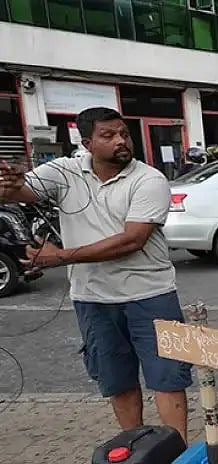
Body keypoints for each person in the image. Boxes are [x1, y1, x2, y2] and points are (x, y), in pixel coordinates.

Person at [0, 107, 191, 439]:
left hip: (152, 296)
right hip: (93, 300)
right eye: (109, 135)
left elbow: (132, 240)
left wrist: (60, 257)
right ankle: (135, 452)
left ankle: (175, 455)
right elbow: (22, 191)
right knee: (118, 381)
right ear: (87, 142)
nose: (120, 141)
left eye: (124, 134)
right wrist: (9, 182)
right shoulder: (64, 171)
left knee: (169, 378)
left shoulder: (149, 179)